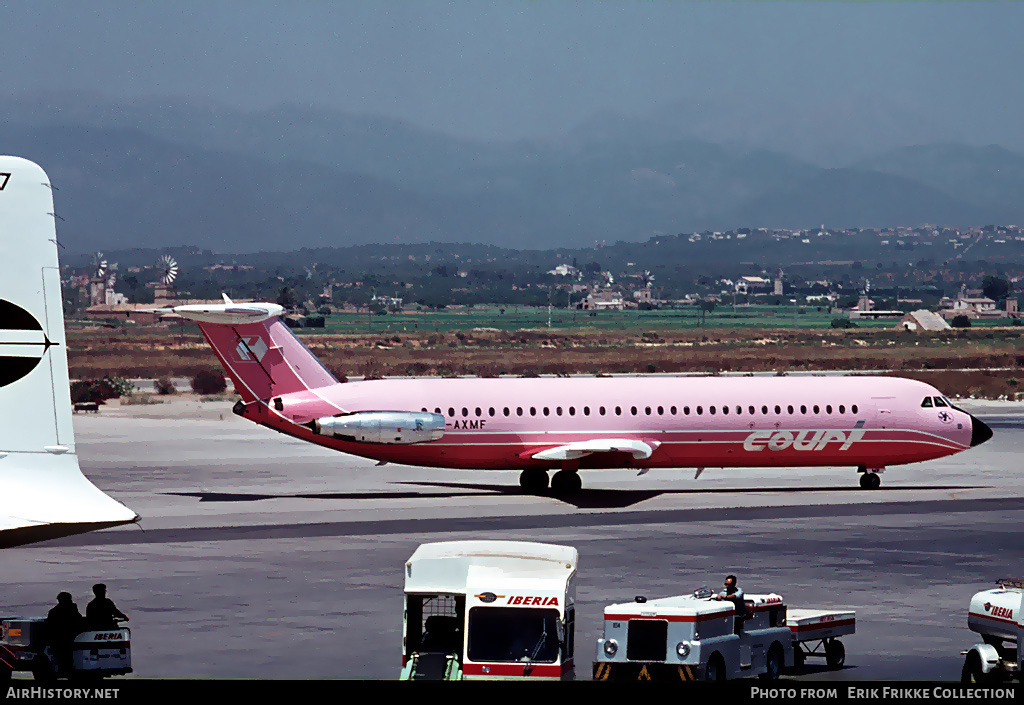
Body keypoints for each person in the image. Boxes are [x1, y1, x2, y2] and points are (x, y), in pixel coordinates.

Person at [46, 592, 83, 675]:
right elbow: (79, 622)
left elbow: (49, 626)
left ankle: (64, 669)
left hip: (61, 637)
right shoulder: (72, 609)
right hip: (67, 637)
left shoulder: (54, 611)